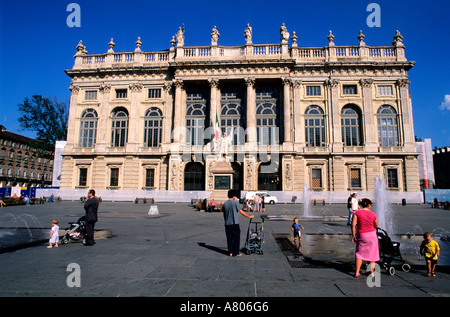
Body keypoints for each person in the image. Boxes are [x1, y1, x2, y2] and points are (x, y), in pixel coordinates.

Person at [351, 198, 379, 277]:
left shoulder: (357, 213)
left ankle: (357, 272)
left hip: (361, 235)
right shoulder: (373, 214)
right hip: (372, 235)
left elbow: (353, 225)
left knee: (359, 254)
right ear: (369, 205)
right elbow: (376, 225)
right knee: (372, 253)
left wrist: (353, 235)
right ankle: (371, 272)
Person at [222, 189, 254, 257]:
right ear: (234, 196)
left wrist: (226, 220)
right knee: (236, 238)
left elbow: (224, 214)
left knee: (229, 238)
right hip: (234, 223)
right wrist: (249, 216)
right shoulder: (235, 203)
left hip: (227, 224)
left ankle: (230, 252)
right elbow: (241, 212)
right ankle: (236, 252)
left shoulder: (225, 203)